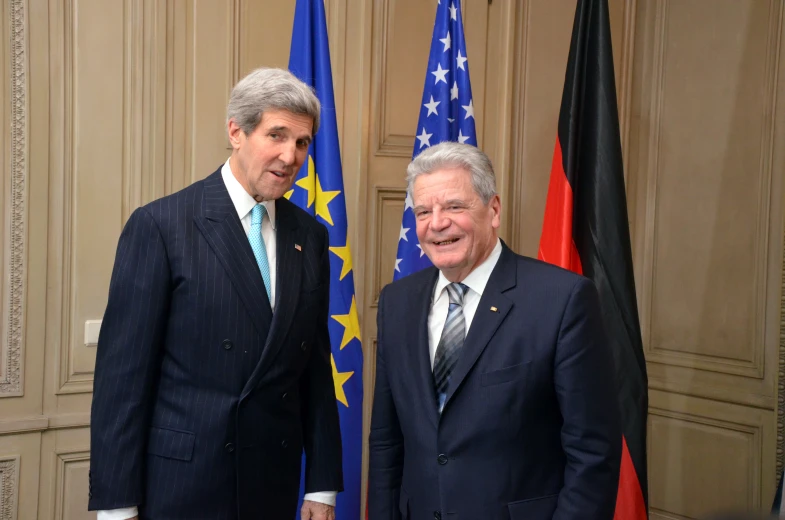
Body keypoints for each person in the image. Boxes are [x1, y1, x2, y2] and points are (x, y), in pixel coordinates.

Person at [88, 67, 343, 520]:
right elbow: (121, 382)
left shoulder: (311, 235)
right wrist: (116, 505)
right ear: (236, 132)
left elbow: (314, 368)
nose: (291, 155)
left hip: (272, 482)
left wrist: (322, 484)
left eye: (302, 142)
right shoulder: (162, 226)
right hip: (184, 485)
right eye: (277, 135)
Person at [368, 142, 622, 519]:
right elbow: (387, 442)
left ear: (494, 210)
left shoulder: (562, 300)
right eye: (423, 211)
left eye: (454, 206)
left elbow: (593, 453)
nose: (436, 223)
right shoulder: (397, 302)